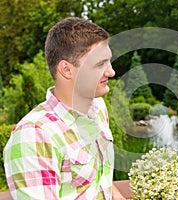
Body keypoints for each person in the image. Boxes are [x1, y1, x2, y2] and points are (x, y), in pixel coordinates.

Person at [4, 17, 125, 199]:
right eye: (100, 64)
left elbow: (99, 181)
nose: (111, 72)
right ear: (66, 70)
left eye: (108, 61)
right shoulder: (34, 135)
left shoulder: (98, 108)